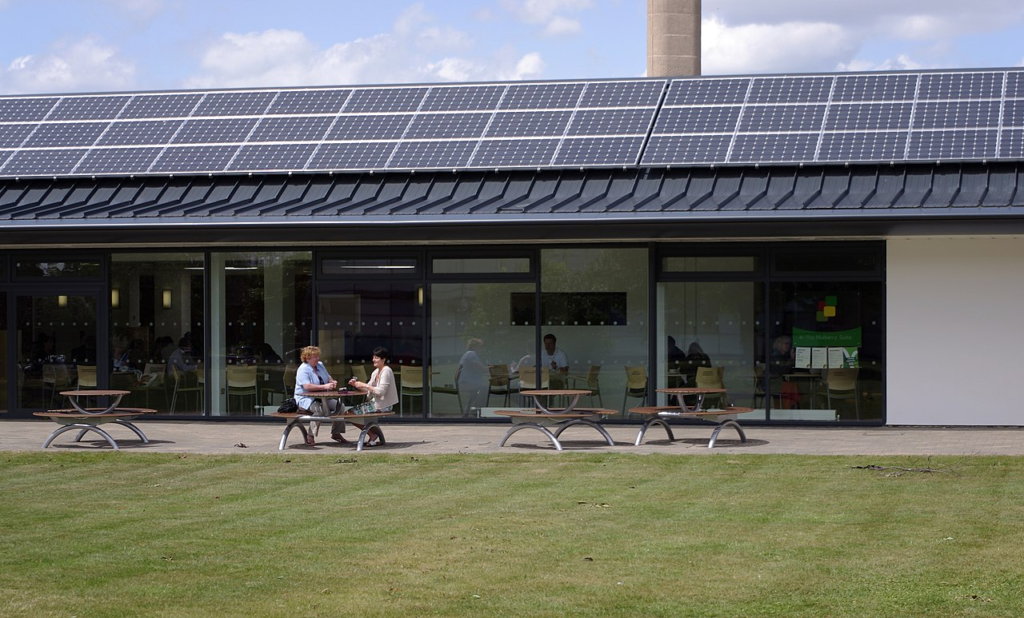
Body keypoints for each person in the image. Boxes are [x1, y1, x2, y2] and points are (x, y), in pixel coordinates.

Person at [346, 346, 397, 446]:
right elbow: (368, 390)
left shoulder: (386, 371)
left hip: (384, 405)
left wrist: (364, 385)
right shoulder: (375, 372)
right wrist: (356, 385)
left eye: (377, 358)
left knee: (348, 414)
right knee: (348, 413)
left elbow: (381, 391)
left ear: (384, 359)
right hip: (375, 403)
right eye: (373, 357)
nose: (373, 360)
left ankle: (372, 435)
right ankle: (373, 434)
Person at [295, 345, 338, 446]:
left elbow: (328, 377)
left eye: (318, 356)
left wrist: (332, 382)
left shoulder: (320, 365)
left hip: (322, 398)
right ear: (307, 357)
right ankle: (310, 435)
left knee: (339, 406)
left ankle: (336, 433)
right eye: (315, 357)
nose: (318, 359)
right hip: (306, 398)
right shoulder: (303, 369)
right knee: (319, 410)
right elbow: (307, 386)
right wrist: (324, 386)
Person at [456, 338, 488, 418]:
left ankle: (467, 412)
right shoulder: (471, 354)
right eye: (480, 346)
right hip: (466, 383)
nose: (482, 349)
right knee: (484, 388)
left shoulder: (469, 354)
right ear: (475, 347)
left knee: (474, 394)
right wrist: (489, 369)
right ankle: (479, 411)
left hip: (465, 382)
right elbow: (478, 367)